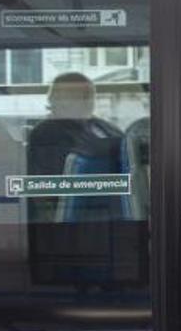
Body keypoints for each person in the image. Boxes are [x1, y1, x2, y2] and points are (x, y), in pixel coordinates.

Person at [26, 72, 124, 221]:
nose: (88, 101)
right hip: (81, 210)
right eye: (80, 96)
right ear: (56, 100)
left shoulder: (101, 126)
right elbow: (51, 188)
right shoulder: (47, 132)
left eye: (89, 95)